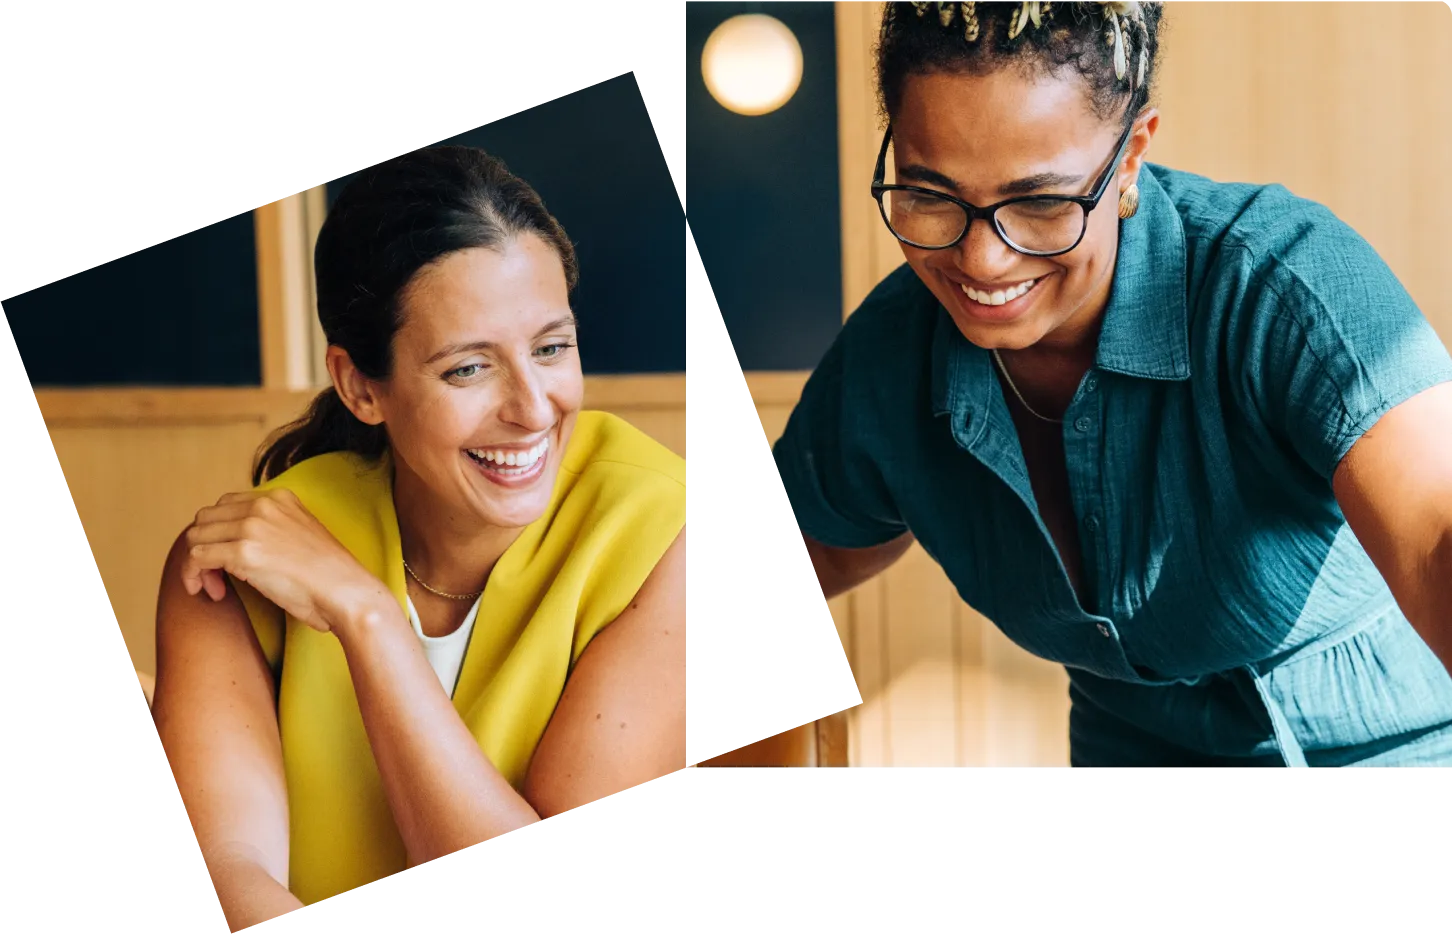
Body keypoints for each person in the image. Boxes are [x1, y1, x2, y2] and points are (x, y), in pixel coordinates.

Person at [774, 0, 1452, 768]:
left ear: (1131, 155)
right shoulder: (891, 355)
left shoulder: (1278, 283)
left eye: (1040, 202)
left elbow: (1437, 537)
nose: (983, 261)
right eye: (930, 195)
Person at [150, 146, 687, 928]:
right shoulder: (242, 558)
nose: (534, 409)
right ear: (361, 387)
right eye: (468, 369)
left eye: (551, 347)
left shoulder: (662, 533)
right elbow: (231, 874)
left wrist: (368, 619)